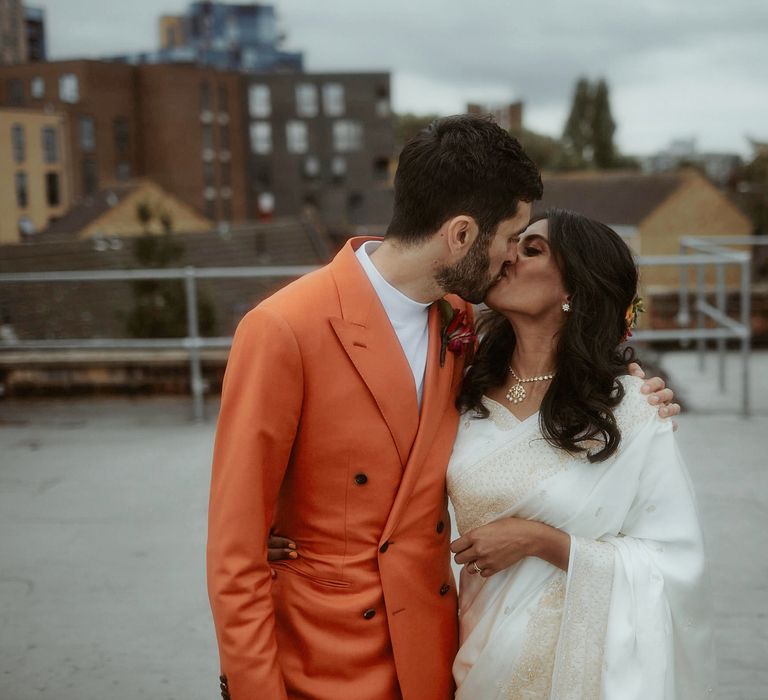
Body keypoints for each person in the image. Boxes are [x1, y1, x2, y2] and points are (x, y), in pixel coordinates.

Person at [207, 115, 678, 700]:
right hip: (320, 658)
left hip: (438, 655)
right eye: (511, 239)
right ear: (460, 236)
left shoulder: (463, 327)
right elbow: (234, 554)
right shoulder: (283, 328)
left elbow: (548, 367)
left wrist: (630, 385)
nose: (511, 259)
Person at [447, 209, 714, 698]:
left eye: (532, 250)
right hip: (463, 650)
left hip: (575, 673)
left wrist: (538, 540)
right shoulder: (458, 387)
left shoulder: (630, 412)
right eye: (514, 243)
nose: (509, 257)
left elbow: (674, 564)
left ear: (574, 287)